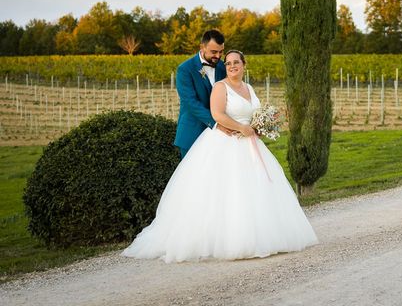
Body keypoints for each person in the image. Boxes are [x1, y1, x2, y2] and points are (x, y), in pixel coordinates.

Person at [122, 50, 318, 262]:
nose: (232, 65)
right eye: (229, 62)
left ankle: (263, 235)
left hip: (250, 143)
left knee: (256, 189)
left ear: (244, 65)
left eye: (236, 62)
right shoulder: (220, 87)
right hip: (224, 141)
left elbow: (255, 114)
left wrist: (259, 126)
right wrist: (241, 128)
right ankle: (227, 240)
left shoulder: (249, 88)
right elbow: (217, 114)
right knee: (226, 191)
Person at [174, 30, 227, 159]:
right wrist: (217, 123)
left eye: (221, 51)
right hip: (192, 133)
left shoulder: (222, 67)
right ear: (202, 47)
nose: (218, 56)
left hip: (220, 137)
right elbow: (191, 102)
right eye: (214, 52)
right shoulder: (185, 69)